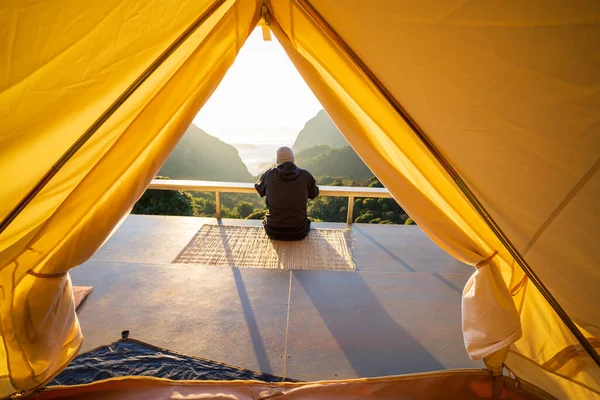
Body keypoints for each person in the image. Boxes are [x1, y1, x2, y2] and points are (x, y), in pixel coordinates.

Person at [255, 146, 319, 241]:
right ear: (293, 159)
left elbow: (260, 189)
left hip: (273, 230)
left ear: (277, 161)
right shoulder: (305, 175)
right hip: (299, 230)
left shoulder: (269, 175)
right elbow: (314, 193)